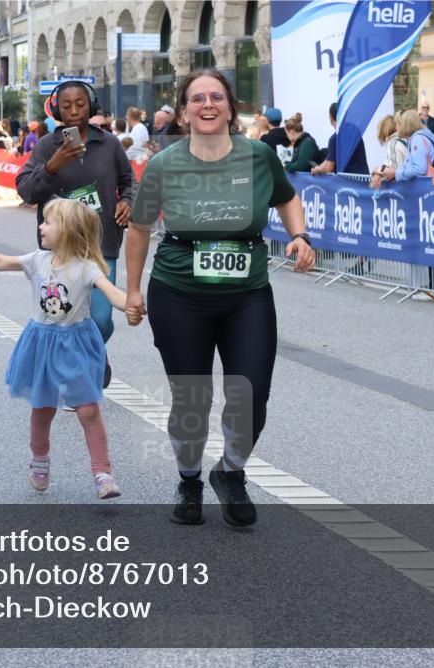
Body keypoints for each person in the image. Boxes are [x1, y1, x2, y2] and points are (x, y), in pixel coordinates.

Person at [125, 69, 315, 528]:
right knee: (192, 399)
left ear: (230, 107)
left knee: (252, 395)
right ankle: (189, 480)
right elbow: (139, 228)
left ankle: (230, 472)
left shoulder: (258, 156)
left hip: (247, 294)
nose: (207, 104)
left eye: (216, 97)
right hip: (179, 293)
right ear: (184, 111)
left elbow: (287, 198)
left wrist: (300, 236)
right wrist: (131, 290)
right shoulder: (165, 164)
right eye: (197, 98)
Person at [0, 198, 134, 499]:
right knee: (43, 408)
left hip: (76, 345)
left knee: (88, 409)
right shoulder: (38, 260)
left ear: (69, 230)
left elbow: (112, 293)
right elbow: (1, 262)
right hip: (42, 344)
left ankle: (102, 473)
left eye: (48, 222)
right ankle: (39, 461)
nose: (41, 226)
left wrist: (132, 305)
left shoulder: (86, 267)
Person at [16, 81, 135, 389]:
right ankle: (78, 376)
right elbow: (26, 190)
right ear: (56, 110)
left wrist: (127, 201)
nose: (73, 111)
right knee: (66, 319)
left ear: (91, 105)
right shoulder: (46, 146)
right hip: (61, 251)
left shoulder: (109, 144)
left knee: (101, 319)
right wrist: (53, 165)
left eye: (80, 104)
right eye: (66, 106)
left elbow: (128, 181)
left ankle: (93, 351)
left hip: (101, 244)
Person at [377, 108, 434, 299]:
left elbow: (418, 168)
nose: (396, 127)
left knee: (433, 240)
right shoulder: (426, 137)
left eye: (399, 123)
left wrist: (396, 174)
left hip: (428, 193)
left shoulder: (417, 140)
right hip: (433, 192)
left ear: (405, 124)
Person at [311, 102, 370, 176]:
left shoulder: (335, 139)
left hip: (347, 180)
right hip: (363, 178)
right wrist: (319, 167)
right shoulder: (355, 131)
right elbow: (329, 159)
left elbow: (329, 167)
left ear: (331, 118)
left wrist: (319, 170)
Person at [369, 113, 406, 190]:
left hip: (400, 188)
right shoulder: (403, 141)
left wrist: (377, 170)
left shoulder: (393, 143)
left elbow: (392, 170)